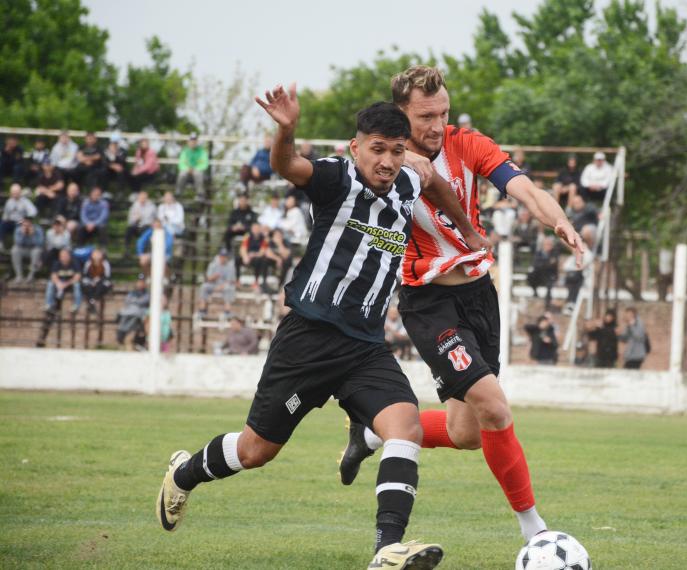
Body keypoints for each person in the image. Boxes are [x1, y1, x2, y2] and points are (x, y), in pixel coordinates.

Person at [155, 84, 489, 570]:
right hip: (308, 340)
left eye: (397, 151)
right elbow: (287, 166)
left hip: (366, 347)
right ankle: (183, 475)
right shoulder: (337, 177)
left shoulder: (410, 178)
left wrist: (467, 229)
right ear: (356, 148)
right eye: (378, 149)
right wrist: (286, 130)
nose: (387, 161)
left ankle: (386, 550)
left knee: (406, 427)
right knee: (255, 451)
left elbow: (434, 182)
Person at [339, 66, 585, 545]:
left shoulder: (468, 144)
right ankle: (536, 532)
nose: (437, 124)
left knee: (467, 431)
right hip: (427, 301)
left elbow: (524, 187)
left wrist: (557, 221)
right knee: (494, 406)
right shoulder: (382, 161)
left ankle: (371, 432)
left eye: (443, 112)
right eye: (426, 115)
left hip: (477, 293)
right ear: (400, 114)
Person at [197, 248, 237, 317]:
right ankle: (202, 310)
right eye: (222, 256)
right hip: (213, 284)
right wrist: (214, 277)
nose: (223, 258)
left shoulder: (231, 266)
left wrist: (221, 286)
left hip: (225, 286)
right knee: (204, 287)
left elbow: (230, 281)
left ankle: (227, 311)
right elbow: (208, 278)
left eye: (224, 256)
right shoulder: (213, 265)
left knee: (229, 288)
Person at [116, 275, 149, 350]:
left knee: (129, 339)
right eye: (138, 281)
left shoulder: (147, 294)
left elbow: (142, 301)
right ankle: (122, 334)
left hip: (138, 317)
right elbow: (127, 301)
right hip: (128, 316)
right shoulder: (132, 293)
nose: (139, 283)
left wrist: (134, 302)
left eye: (141, 282)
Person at [45, 248, 81, 313]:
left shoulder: (74, 263)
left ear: (69, 256)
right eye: (62, 256)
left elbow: (77, 276)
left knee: (77, 285)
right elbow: (53, 276)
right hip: (59, 284)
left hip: (70, 284)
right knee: (50, 284)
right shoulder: (56, 263)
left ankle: (76, 305)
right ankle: (49, 304)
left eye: (65, 255)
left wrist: (66, 284)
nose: (64, 257)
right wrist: (58, 283)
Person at [237, 223, 272, 292]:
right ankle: (237, 281)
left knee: (260, 260)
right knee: (237, 259)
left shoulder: (264, 238)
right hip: (247, 256)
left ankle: (256, 282)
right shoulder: (247, 236)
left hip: (257, 257)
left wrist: (253, 254)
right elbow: (242, 248)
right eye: (254, 229)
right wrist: (245, 257)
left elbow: (262, 252)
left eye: (257, 229)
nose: (255, 230)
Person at [527, 238, 560, 309]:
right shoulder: (538, 253)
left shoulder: (554, 253)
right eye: (547, 244)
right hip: (539, 275)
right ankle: (535, 293)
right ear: (543, 245)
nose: (549, 246)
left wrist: (543, 264)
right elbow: (536, 265)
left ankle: (547, 306)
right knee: (530, 275)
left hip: (549, 276)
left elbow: (553, 265)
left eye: (550, 244)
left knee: (549, 285)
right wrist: (548, 263)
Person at [1, 184, 37, 248]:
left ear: (20, 192)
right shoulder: (9, 201)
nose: (15, 195)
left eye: (16, 193)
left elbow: (33, 211)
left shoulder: (25, 201)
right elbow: (6, 214)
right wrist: (5, 219)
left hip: (21, 222)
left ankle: (16, 245)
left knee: (18, 227)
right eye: (13, 193)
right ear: (11, 193)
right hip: (10, 222)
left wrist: (26, 220)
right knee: (2, 224)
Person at [11, 217, 44, 283]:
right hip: (23, 249)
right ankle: (19, 276)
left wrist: (32, 235)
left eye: (28, 223)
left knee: (36, 251)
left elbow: (40, 244)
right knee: (14, 250)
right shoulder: (18, 229)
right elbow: (17, 243)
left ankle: (31, 276)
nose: (26, 225)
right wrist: (23, 234)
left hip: (33, 249)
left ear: (31, 223)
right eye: (24, 223)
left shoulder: (38, 229)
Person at [125, 190, 157, 255]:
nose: (142, 199)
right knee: (129, 229)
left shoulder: (151, 206)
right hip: (137, 225)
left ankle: (143, 252)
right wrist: (135, 219)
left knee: (145, 229)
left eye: (144, 198)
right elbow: (130, 220)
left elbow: (155, 218)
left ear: (147, 198)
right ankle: (127, 250)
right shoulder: (135, 205)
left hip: (147, 226)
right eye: (141, 198)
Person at [81, 248, 112, 314]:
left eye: (98, 254)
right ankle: (93, 302)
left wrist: (98, 280)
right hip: (90, 281)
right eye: (95, 254)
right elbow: (85, 275)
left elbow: (107, 276)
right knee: (86, 286)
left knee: (102, 286)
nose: (96, 256)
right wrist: (91, 281)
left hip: (102, 282)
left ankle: (92, 302)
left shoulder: (105, 263)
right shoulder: (88, 263)